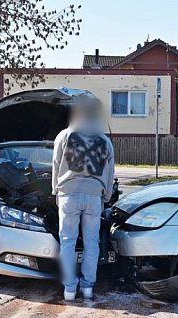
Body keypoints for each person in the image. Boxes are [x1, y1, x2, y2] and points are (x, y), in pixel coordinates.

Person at [52, 96, 115, 302]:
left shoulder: (64, 136)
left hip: (68, 194)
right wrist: (105, 197)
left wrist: (55, 192)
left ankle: (69, 289)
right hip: (94, 196)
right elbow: (109, 172)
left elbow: (56, 166)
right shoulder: (105, 141)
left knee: (67, 242)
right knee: (92, 242)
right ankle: (88, 287)